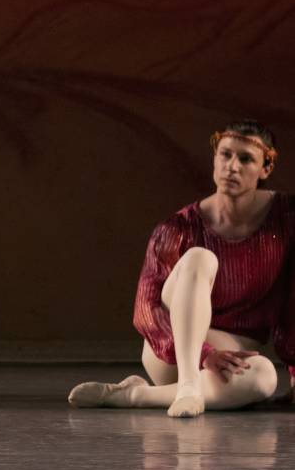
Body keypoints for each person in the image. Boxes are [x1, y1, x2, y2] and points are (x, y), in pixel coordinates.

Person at [69, 121, 293, 416]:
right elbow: (145, 309)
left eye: (246, 158)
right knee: (200, 257)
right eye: (225, 155)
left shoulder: (286, 219)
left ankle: (134, 395)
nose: (232, 166)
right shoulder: (178, 227)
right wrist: (205, 355)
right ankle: (188, 385)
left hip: (234, 358)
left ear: (265, 169)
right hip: (171, 353)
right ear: (214, 158)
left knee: (264, 377)